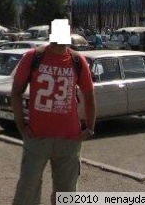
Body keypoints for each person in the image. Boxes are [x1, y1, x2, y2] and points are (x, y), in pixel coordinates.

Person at [12, 19, 96, 205]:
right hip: (37, 138)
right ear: (50, 34)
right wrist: (21, 126)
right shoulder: (34, 56)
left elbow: (89, 95)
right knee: (27, 190)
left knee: (66, 194)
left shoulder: (77, 61)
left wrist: (90, 127)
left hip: (69, 140)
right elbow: (16, 91)